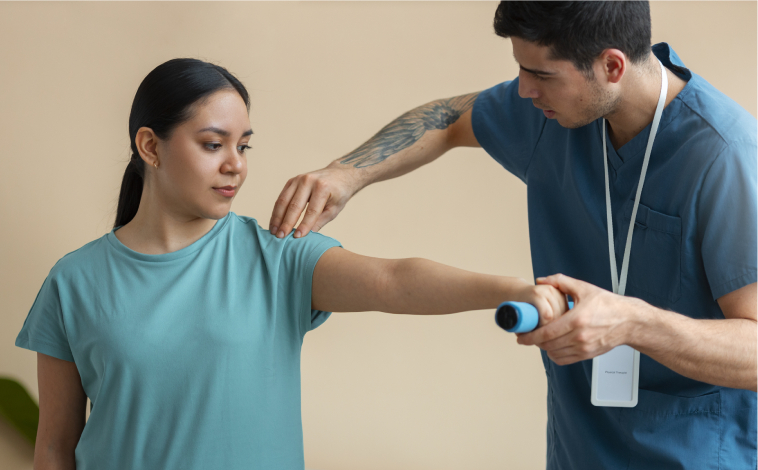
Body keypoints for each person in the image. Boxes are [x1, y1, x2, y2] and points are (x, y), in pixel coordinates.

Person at [268, 2, 757, 469]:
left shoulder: (726, 157)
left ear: (612, 66)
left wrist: (633, 323)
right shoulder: (558, 115)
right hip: (577, 449)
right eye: (522, 70)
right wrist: (346, 173)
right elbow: (448, 119)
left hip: (693, 454)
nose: (523, 91)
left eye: (541, 75)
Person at [15, 58, 566, 470]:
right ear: (151, 147)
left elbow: (391, 281)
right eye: (213, 144)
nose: (235, 165)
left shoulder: (275, 256)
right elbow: (55, 444)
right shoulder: (75, 280)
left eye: (244, 146)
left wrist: (507, 289)